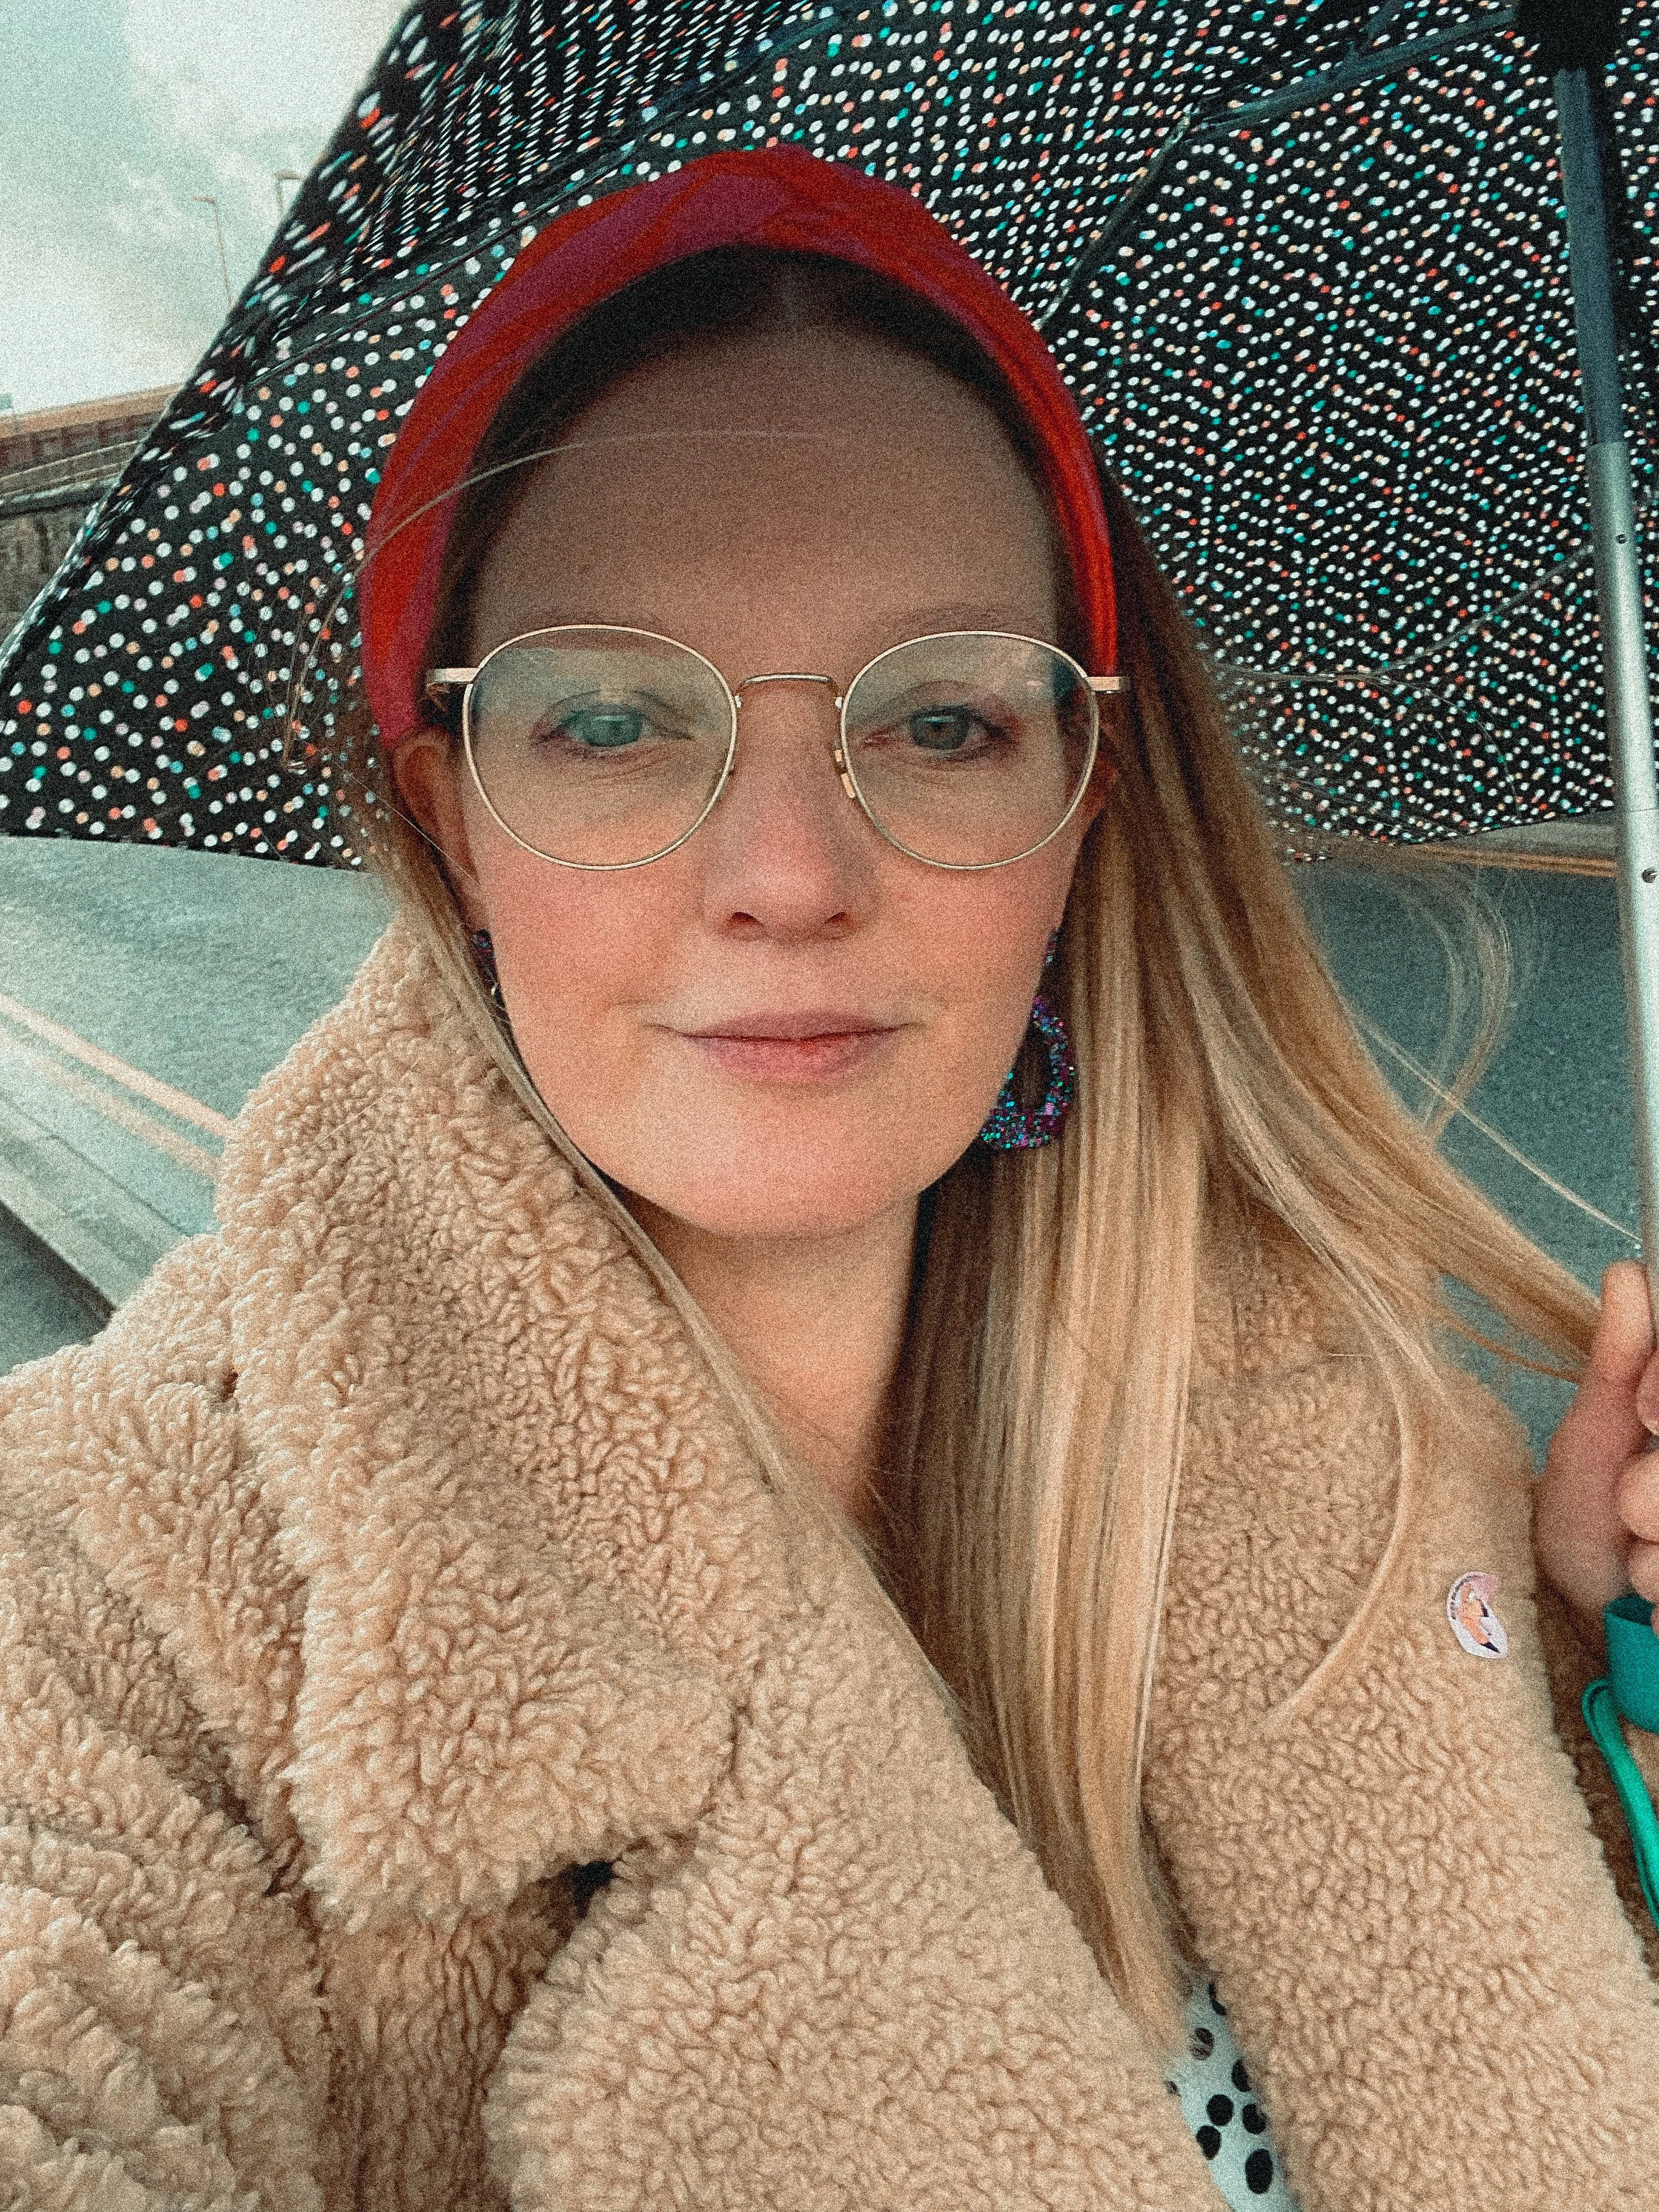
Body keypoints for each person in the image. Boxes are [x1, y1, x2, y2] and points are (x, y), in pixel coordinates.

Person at [3, 145, 1659, 2212]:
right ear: (448, 822)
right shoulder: (101, 1600)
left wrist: (1610, 1694)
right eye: (609, 720)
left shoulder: (1380, 1468)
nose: (789, 873)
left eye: (943, 720)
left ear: (1082, 802)